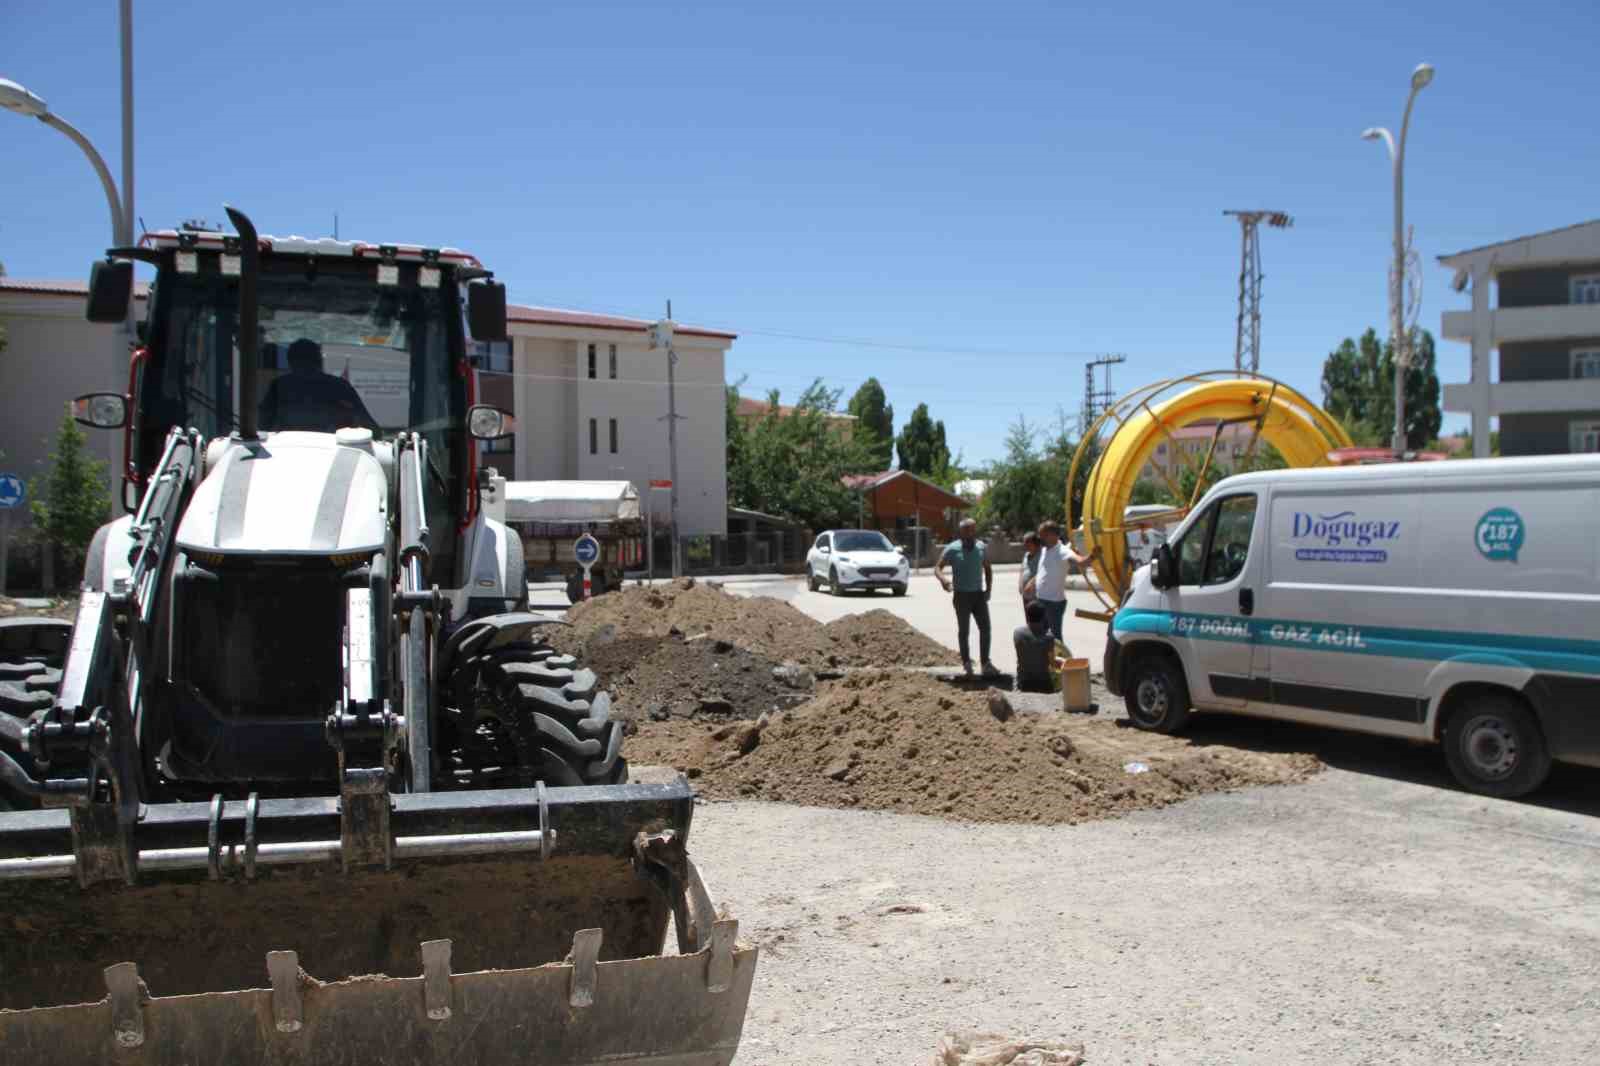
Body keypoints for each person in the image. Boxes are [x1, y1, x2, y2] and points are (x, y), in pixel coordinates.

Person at [259, 338, 380, 433]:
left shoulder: (279, 385)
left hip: (285, 451)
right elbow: (370, 427)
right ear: (319, 361)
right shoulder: (339, 386)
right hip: (334, 452)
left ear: (290, 362)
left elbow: (262, 425)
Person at [934, 518, 998, 678]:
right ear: (960, 532)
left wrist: (988, 589)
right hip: (961, 596)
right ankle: (967, 663)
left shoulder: (981, 547)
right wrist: (944, 581)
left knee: (985, 629)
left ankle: (985, 663)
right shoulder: (952, 548)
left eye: (972, 530)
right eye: (966, 530)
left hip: (978, 595)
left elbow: (988, 569)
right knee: (964, 631)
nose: (970, 533)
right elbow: (937, 568)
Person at [1022, 520, 1090, 643]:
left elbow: (1081, 561)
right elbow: (1043, 570)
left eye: (1043, 535)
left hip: (1054, 603)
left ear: (1053, 535)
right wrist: (1032, 582)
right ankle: (1045, 660)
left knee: (1055, 637)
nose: (1040, 538)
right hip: (1041, 599)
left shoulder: (1063, 551)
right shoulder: (1044, 550)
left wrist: (1092, 557)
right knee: (1040, 633)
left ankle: (1059, 660)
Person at [1013, 599, 1063, 694]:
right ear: (1043, 617)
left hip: (1023, 683)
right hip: (1043, 684)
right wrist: (1064, 662)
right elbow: (1052, 663)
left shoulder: (1017, 633)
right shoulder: (1048, 638)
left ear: (1027, 615)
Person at [1017, 532, 1041, 606]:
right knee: (1029, 617)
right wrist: (1020, 583)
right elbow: (1022, 569)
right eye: (1024, 542)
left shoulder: (1042, 555)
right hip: (1026, 595)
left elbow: (1043, 571)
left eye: (1028, 542)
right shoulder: (1026, 555)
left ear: (1036, 543)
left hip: (1038, 596)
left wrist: (1031, 582)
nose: (1025, 545)